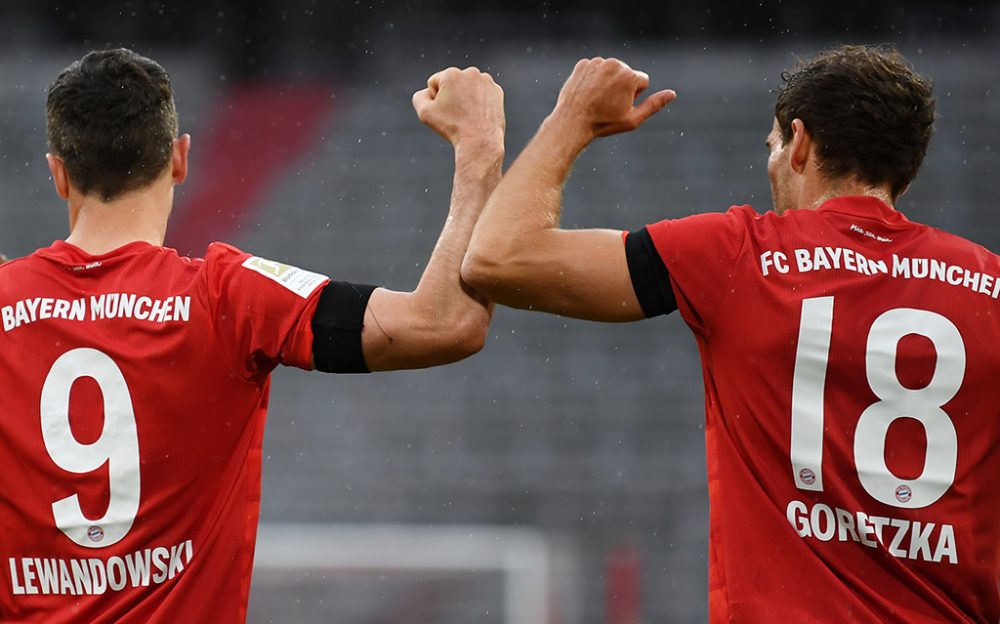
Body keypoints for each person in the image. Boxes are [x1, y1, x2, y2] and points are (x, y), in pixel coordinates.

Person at [462, 45, 998, 623]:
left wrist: (571, 119)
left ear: (801, 144)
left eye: (772, 147)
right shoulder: (989, 285)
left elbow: (497, 258)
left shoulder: (741, 254)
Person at [0, 48, 503, 623]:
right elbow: (446, 324)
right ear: (179, 158)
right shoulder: (225, 295)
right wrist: (480, 151)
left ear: (58, 173)